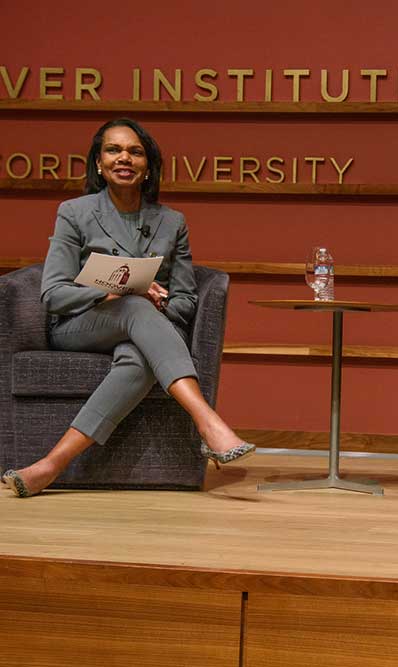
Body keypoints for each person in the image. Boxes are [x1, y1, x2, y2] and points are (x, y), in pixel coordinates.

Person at [1, 118, 254, 498]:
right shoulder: (75, 212)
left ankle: (50, 465)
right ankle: (206, 420)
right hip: (81, 326)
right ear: (99, 164)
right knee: (133, 305)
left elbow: (185, 300)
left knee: (138, 356)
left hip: (144, 327)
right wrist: (113, 291)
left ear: (147, 166)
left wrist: (159, 299)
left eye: (135, 152)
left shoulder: (171, 222)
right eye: (113, 150)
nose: (125, 158)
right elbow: (53, 294)